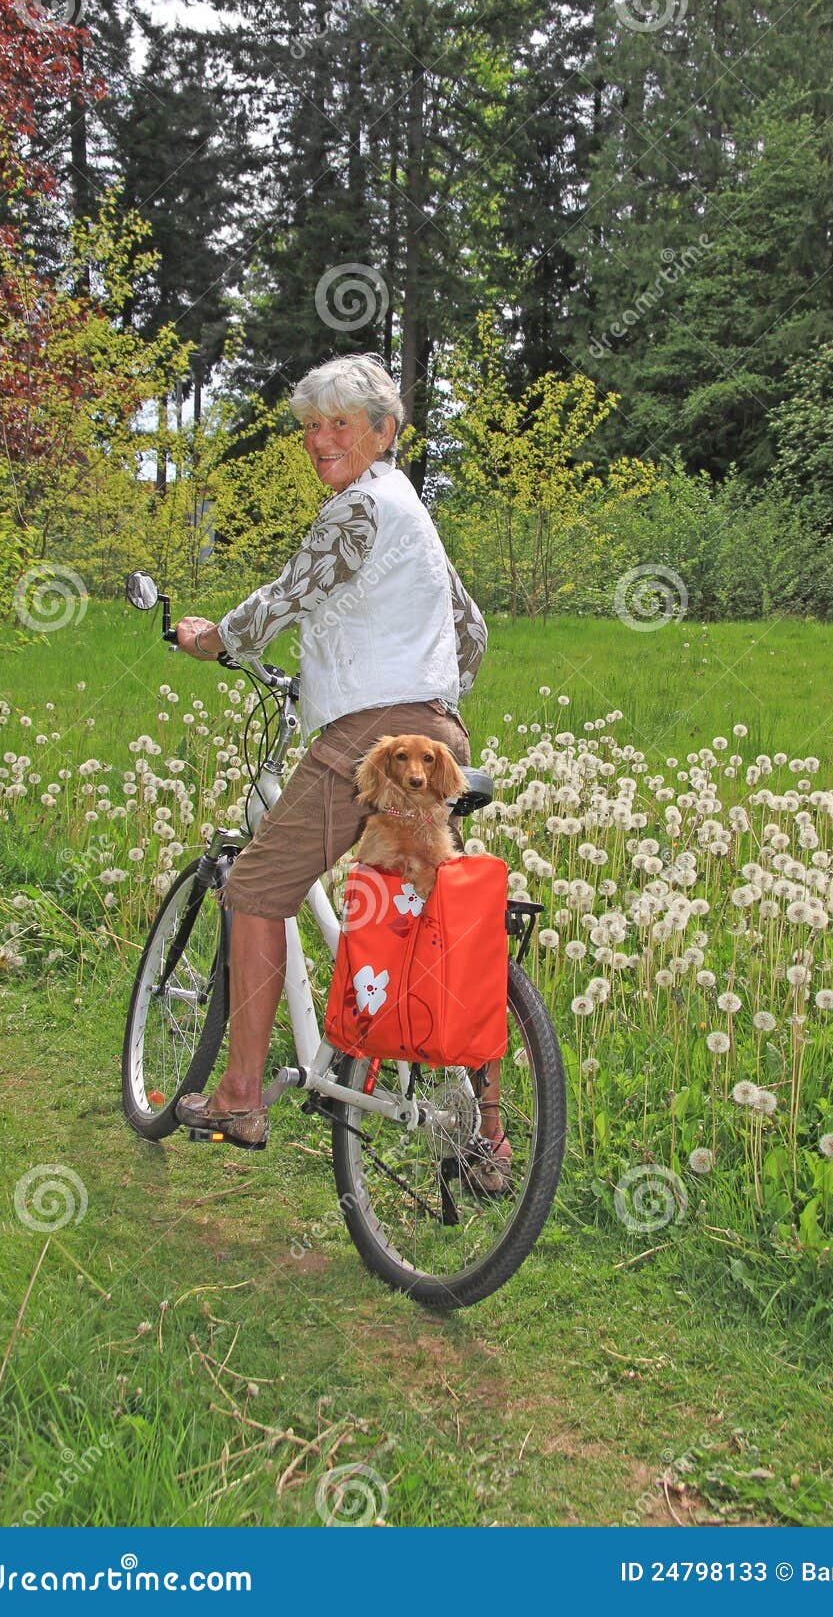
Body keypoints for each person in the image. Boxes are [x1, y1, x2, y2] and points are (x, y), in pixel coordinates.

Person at [172, 353, 509, 1189]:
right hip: (438, 741)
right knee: (433, 920)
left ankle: (241, 1097)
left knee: (254, 889)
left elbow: (290, 593)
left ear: (384, 432)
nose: (321, 440)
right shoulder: (414, 517)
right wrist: (429, 705)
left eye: (340, 423)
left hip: (370, 745)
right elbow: (470, 632)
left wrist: (216, 640)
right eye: (311, 427)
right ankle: (490, 1141)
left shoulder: (359, 508)